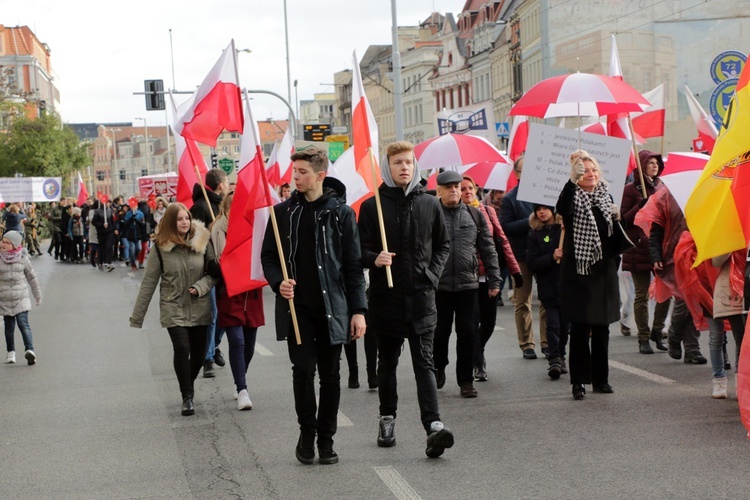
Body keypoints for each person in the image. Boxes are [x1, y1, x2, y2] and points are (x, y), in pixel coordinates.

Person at [261, 147, 367, 465]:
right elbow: (268, 256)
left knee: (331, 375)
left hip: (333, 307)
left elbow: (353, 266)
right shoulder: (282, 213)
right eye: (294, 172)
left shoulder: (341, 214)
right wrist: (278, 281)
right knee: (303, 370)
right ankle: (307, 433)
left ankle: (327, 440)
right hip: (297, 310)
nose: (296, 178)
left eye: (302, 172)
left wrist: (359, 310)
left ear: (320, 175)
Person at [358, 141, 454, 458]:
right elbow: (358, 251)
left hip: (423, 298)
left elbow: (443, 244)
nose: (404, 167)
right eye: (398, 162)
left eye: (409, 162)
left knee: (424, 364)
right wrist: (375, 258)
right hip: (386, 299)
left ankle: (434, 427)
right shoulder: (373, 206)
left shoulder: (429, 203)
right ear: (388, 167)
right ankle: (387, 419)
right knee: (387, 364)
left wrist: (431, 276)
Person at [129, 203, 217, 416]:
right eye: (179, 219)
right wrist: (137, 317)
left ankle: (188, 383)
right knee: (182, 349)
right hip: (173, 305)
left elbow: (214, 273)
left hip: (199, 305)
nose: (185, 222)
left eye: (186, 217)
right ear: (170, 222)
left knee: (198, 355)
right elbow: (149, 282)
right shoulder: (161, 247)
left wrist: (199, 288)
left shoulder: (203, 240)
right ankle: (187, 396)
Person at [556, 150, 621, 400]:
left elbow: (614, 237)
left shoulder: (606, 197)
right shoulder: (572, 196)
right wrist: (572, 181)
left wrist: (617, 218)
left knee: (602, 328)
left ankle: (601, 379)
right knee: (581, 328)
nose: (590, 174)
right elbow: (562, 207)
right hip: (579, 270)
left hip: (604, 270)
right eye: (585, 171)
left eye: (593, 169)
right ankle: (579, 381)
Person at [433, 171, 501, 398]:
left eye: (457, 186)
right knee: (439, 332)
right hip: (439, 286)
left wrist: (494, 278)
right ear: (439, 190)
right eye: (449, 187)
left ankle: (465, 381)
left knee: (468, 333)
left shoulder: (474, 214)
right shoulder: (431, 214)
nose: (454, 190)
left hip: (468, 285)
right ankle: (439, 366)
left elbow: (488, 247)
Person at [635, 188, 707, 364]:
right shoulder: (665, 197)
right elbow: (656, 231)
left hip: (697, 256)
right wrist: (656, 256)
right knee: (683, 300)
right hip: (673, 257)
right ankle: (675, 336)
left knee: (695, 300)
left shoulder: (703, 193)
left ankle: (691, 349)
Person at [461, 176, 521, 381]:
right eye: (462, 189)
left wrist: (515, 271)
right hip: (465, 279)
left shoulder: (488, 211)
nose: (467, 191)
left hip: (489, 276)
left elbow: (502, 240)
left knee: (488, 322)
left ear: (476, 189)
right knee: (472, 321)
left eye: (470, 187)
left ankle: (478, 350)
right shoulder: (452, 214)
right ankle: (478, 362)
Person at [210, 193, 265, 410]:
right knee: (237, 341)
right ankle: (243, 389)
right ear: (226, 209)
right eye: (236, 208)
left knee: (249, 346)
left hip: (251, 294)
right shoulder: (217, 229)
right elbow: (213, 260)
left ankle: (238, 379)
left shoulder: (255, 228)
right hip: (229, 291)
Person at [621, 150, 669, 354]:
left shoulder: (662, 187)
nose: (654, 165)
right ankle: (643, 336)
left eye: (656, 162)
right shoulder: (630, 190)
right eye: (650, 162)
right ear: (641, 166)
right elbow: (623, 220)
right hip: (638, 247)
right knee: (641, 294)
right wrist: (640, 206)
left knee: (665, 292)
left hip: (659, 247)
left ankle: (657, 331)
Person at [500, 156, 547, 359]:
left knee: (547, 299)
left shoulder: (544, 193)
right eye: (524, 169)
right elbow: (506, 227)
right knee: (522, 301)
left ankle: (547, 342)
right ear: (517, 174)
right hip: (520, 256)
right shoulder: (510, 198)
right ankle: (527, 343)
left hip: (544, 253)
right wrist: (528, 221)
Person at [190, 168, 231, 378]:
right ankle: (207, 359)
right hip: (210, 270)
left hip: (227, 267)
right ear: (221, 184)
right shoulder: (200, 207)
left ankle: (213, 346)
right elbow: (197, 243)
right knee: (213, 314)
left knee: (227, 314)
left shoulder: (223, 206)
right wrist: (209, 264)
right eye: (227, 182)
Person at [527, 204, 568, 379]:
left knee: (565, 326)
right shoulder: (534, 234)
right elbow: (532, 263)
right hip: (548, 286)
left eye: (545, 208)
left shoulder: (564, 230)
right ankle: (554, 359)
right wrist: (551, 257)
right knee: (552, 324)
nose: (542, 212)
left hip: (566, 285)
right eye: (538, 209)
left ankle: (561, 354)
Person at [1, 231, 42, 365]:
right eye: (2, 241)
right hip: (5, 299)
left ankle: (30, 350)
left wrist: (37, 295)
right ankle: (11, 352)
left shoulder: (23, 258)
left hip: (21, 298)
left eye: (7, 242)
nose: (3, 244)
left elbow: (32, 278)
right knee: (8, 327)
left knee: (23, 324)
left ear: (15, 245)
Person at [91, 199, 116, 271]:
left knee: (109, 246)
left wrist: (114, 228)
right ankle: (100, 262)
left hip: (109, 231)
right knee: (101, 248)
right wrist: (102, 224)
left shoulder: (110, 211)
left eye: (109, 202)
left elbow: (112, 221)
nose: (108, 204)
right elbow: (94, 222)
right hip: (101, 232)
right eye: (107, 202)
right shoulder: (97, 211)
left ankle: (109, 262)